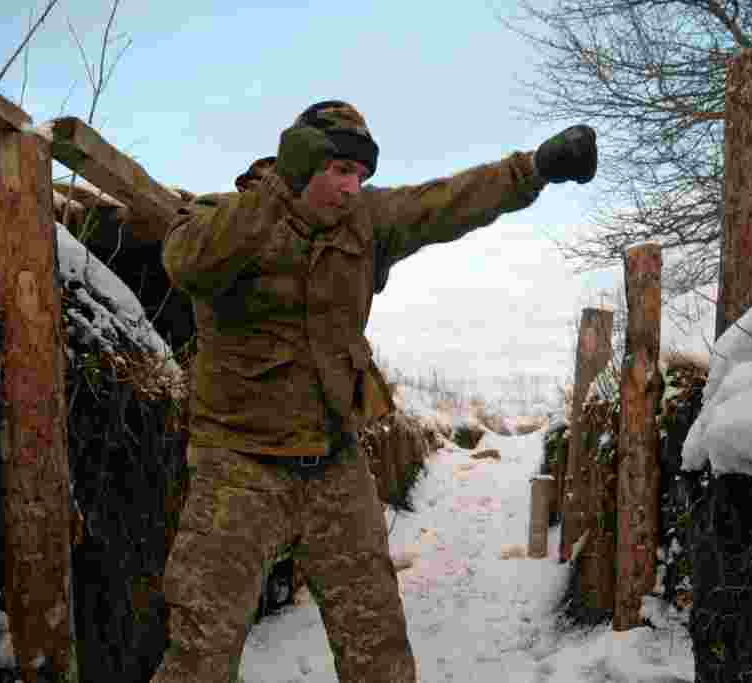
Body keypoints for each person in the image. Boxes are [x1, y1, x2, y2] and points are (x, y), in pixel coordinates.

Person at [155, 100, 598, 683]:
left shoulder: (365, 223)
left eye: (359, 175)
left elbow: (447, 202)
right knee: (201, 655)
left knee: (379, 647)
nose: (350, 188)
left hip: (333, 467)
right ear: (299, 160)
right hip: (238, 468)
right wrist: (273, 195)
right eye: (338, 170)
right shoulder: (225, 218)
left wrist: (535, 168)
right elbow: (185, 261)